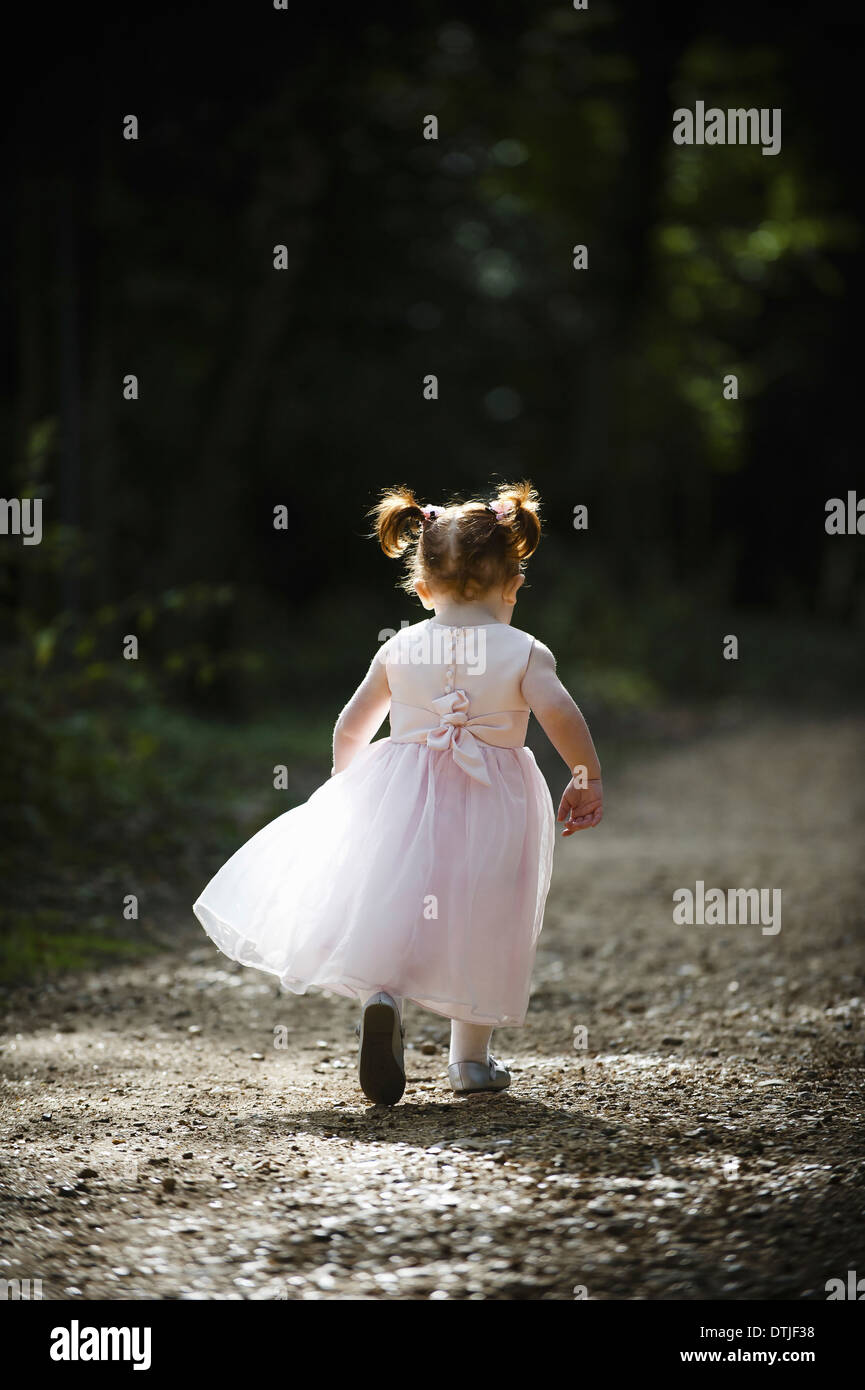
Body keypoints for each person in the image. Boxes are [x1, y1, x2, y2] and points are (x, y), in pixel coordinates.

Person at [193, 481, 603, 1105]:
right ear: (513, 587)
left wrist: (349, 791)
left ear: (422, 588)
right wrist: (585, 777)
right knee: (486, 914)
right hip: (492, 805)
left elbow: (350, 727)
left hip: (401, 800)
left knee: (393, 901)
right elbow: (562, 717)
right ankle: (470, 1061)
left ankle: (380, 996)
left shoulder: (400, 646)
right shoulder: (525, 652)